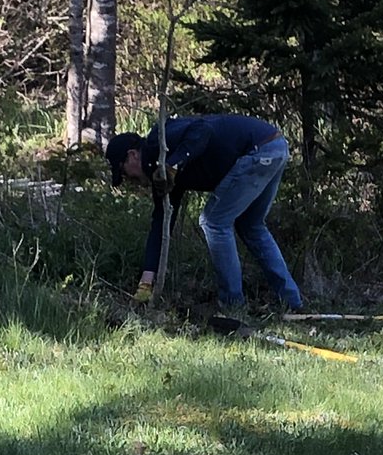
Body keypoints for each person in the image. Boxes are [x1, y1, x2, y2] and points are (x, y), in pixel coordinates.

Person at [105, 114, 302, 310]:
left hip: (258, 150)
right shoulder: (161, 177)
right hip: (273, 146)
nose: (128, 179)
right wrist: (145, 284)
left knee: (213, 222)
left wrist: (173, 164)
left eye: (123, 172)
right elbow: (160, 226)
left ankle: (232, 304)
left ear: (132, 155)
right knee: (251, 225)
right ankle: (292, 302)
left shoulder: (160, 139)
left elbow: (202, 129)